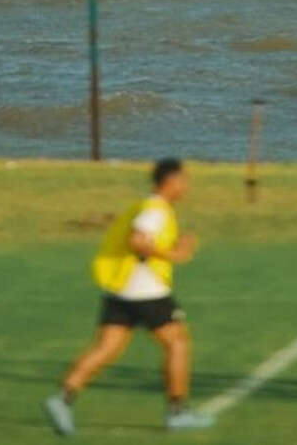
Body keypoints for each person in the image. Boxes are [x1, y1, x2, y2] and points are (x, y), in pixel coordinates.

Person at [44, 158, 212, 434]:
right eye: (184, 180)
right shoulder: (155, 210)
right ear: (170, 182)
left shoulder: (147, 206)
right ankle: (177, 412)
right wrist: (175, 254)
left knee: (107, 348)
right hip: (146, 292)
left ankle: (63, 399)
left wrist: (171, 246)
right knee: (178, 343)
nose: (186, 187)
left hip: (120, 289)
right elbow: (137, 240)